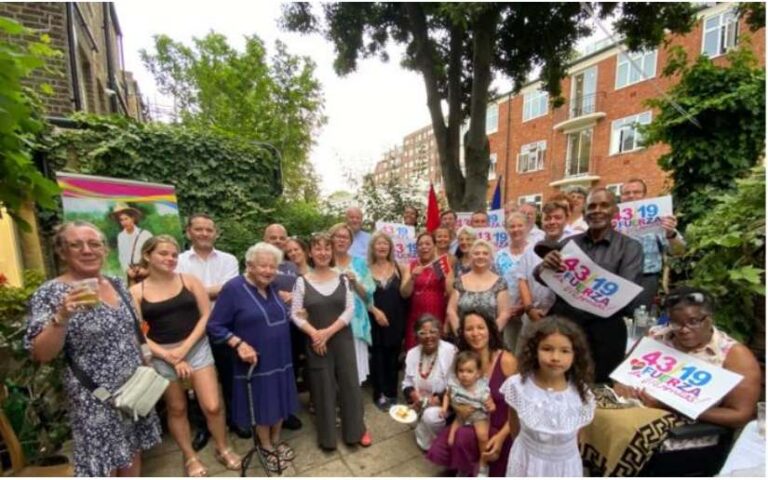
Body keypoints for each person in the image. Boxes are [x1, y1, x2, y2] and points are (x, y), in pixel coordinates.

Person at [25, 222, 162, 476]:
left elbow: (133, 329)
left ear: (104, 250)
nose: (87, 250)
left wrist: (146, 360)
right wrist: (62, 316)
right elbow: (41, 354)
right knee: (102, 465)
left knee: (132, 454)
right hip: (95, 399)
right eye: (75, 244)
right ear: (62, 252)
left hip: (132, 391)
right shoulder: (50, 293)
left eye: (94, 244)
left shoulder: (117, 284)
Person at [131, 235, 240, 477]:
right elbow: (137, 333)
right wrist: (170, 356)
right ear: (148, 255)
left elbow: (205, 317)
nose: (170, 259)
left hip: (196, 347)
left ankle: (223, 447)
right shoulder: (136, 292)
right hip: (162, 354)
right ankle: (190, 457)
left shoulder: (189, 281)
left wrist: (184, 350)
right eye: (163, 254)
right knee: (177, 408)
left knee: (212, 405)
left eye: (173, 254)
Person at [206, 242, 299, 473]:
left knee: (280, 398)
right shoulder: (233, 288)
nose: (268, 271)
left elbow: (276, 313)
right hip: (255, 359)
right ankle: (266, 445)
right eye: (262, 266)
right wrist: (238, 343)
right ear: (249, 265)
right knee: (263, 403)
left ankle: (276, 440)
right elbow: (215, 325)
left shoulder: (274, 285)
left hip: (282, 356)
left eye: (272, 266)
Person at [535, 188, 643, 383]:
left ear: (615, 211)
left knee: (598, 385)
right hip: (565, 326)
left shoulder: (630, 247)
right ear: (584, 213)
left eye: (604, 205)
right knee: (557, 380)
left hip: (604, 330)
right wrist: (545, 265)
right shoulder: (569, 242)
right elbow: (542, 277)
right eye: (592, 206)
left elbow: (627, 292)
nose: (597, 210)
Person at [615, 287, 761, 429]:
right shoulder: (656, 335)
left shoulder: (735, 355)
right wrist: (621, 384)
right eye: (676, 323)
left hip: (690, 429)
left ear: (710, 319)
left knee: (622, 428)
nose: (684, 330)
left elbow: (740, 416)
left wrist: (673, 406)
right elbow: (622, 372)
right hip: (635, 407)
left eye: (693, 322)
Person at [290, 232, 368, 449]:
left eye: (327, 248)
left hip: (341, 339)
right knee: (322, 388)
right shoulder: (301, 282)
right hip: (316, 343)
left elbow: (350, 309)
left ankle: (354, 432)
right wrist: (315, 334)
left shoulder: (343, 277)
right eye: (318, 248)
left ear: (332, 252)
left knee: (350, 386)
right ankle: (327, 438)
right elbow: (295, 313)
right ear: (310, 253)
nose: (323, 252)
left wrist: (327, 332)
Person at [176, 213, 246, 448]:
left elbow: (229, 291)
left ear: (215, 233)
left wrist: (192, 290)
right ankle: (204, 428)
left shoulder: (228, 259)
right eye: (199, 229)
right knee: (195, 382)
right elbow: (177, 292)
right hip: (190, 327)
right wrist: (206, 291)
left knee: (230, 375)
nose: (204, 233)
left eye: (209, 229)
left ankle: (237, 419)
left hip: (224, 325)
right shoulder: (179, 261)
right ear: (189, 232)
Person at [500, 316, 596, 477]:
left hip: (565, 468)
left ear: (575, 355)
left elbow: (577, 435)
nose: (555, 358)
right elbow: (514, 425)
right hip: (527, 463)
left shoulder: (581, 395)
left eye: (565, 351)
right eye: (547, 349)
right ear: (534, 350)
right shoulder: (518, 387)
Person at [426, 310, 517, 476]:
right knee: (458, 435)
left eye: (480, 327)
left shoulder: (507, 360)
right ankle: (465, 469)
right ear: (463, 333)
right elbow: (452, 390)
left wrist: (502, 436)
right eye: (469, 329)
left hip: (503, 428)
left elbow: (521, 406)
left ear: (490, 329)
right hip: (471, 421)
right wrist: (456, 406)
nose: (475, 333)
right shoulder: (461, 358)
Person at [620, 178, 686, 309]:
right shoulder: (612, 219)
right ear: (621, 197)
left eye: (636, 192)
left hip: (646, 278)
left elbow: (679, 250)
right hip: (617, 277)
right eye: (626, 193)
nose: (631, 196)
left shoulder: (659, 219)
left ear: (644, 195)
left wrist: (670, 233)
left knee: (639, 317)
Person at [263, 224, 304, 431]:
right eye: (273, 237)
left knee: (292, 368)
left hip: (293, 325)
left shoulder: (291, 266)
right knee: (271, 370)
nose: (278, 241)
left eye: (282, 238)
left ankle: (287, 411)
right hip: (269, 328)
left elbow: (302, 290)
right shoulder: (260, 263)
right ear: (265, 239)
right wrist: (275, 295)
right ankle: (270, 412)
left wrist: (294, 296)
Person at [367, 232, 410, 410]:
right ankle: (379, 393)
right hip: (374, 318)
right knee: (377, 356)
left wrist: (411, 277)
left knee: (393, 357)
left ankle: (391, 392)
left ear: (391, 247)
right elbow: (362, 297)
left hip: (396, 319)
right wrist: (375, 312)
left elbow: (405, 294)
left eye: (385, 244)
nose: (382, 247)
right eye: (379, 244)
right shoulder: (366, 269)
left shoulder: (400, 268)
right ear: (373, 247)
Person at [329, 222, 376, 386]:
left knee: (354, 365)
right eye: (338, 236)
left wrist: (356, 283)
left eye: (346, 237)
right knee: (333, 364)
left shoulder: (360, 263)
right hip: (329, 320)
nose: (342, 240)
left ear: (351, 241)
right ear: (331, 239)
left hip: (355, 322)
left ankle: (354, 403)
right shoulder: (324, 263)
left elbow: (368, 296)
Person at [402, 315, 457, 451]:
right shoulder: (412, 354)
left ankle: (443, 439)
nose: (428, 336)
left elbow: (456, 384)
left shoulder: (451, 352)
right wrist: (412, 393)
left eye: (433, 331)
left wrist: (438, 399)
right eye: (422, 333)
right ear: (416, 336)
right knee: (420, 418)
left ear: (440, 332)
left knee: (430, 417)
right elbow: (406, 382)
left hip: (446, 403)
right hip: (421, 403)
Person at [516, 200, 571, 337]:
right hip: (533, 314)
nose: (552, 222)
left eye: (557, 218)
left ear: (566, 219)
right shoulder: (530, 248)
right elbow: (522, 280)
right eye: (548, 218)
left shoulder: (574, 247)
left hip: (565, 317)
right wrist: (529, 309)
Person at [442, 350, 495, 477]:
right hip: (460, 416)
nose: (464, 375)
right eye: (461, 371)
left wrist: (491, 406)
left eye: (469, 371)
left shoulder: (481, 388)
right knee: (451, 441)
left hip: (478, 416)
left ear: (477, 374)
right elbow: (447, 395)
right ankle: (462, 465)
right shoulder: (455, 385)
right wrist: (444, 408)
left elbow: (491, 404)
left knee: (482, 437)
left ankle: (483, 464)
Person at [402, 232, 454, 351]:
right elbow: (404, 293)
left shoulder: (439, 265)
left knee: (437, 352)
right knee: (414, 351)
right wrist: (412, 278)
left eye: (427, 244)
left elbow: (451, 294)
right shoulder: (411, 266)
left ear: (434, 246)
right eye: (420, 244)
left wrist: (448, 276)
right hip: (415, 317)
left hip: (437, 315)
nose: (424, 247)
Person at [447, 239, 511, 336]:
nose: (481, 256)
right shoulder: (459, 281)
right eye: (476, 253)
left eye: (485, 253)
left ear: (491, 258)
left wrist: (489, 336)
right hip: (464, 339)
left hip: (491, 340)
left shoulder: (500, 283)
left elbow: (504, 314)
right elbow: (451, 310)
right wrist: (460, 334)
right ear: (470, 257)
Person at [494, 212, 529, 350]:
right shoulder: (500, 255)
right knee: (509, 349)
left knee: (526, 350)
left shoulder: (534, 251)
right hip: (506, 311)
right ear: (507, 229)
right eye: (512, 226)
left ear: (526, 227)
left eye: (519, 226)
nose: (516, 229)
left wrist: (524, 306)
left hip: (529, 311)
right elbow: (496, 283)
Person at [112, 203, 153, 282]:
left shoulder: (145, 234)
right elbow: (122, 256)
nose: (124, 222)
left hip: (146, 271)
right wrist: (128, 270)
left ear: (132, 218)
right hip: (131, 273)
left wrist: (147, 270)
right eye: (121, 220)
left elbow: (153, 254)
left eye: (126, 219)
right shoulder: (121, 236)